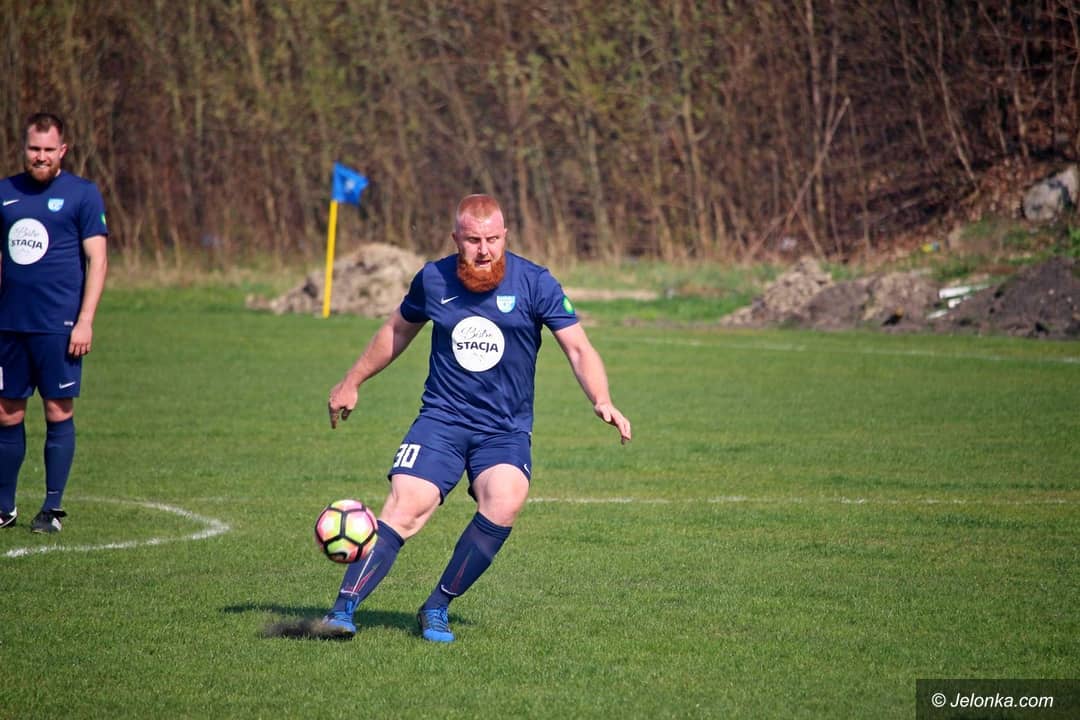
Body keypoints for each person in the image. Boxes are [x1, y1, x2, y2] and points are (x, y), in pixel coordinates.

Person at [318, 194, 631, 642]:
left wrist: (602, 399)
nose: (484, 251)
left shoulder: (535, 283)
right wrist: (352, 381)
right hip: (442, 420)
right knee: (407, 505)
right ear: (456, 239)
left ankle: (436, 606)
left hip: (504, 429)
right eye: (472, 241)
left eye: (492, 240)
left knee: (505, 500)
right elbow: (397, 330)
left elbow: (579, 348)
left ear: (505, 236)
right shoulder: (434, 279)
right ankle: (342, 610)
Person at [0, 112, 108, 533]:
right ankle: (4, 507)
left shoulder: (82, 194)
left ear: (62, 150)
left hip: (58, 325)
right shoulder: (5, 192)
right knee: (6, 413)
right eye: (34, 148)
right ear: (23, 148)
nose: (40, 156)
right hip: (10, 324)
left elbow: (98, 260)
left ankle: (52, 509)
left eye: (48, 149)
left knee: (57, 408)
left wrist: (85, 320)